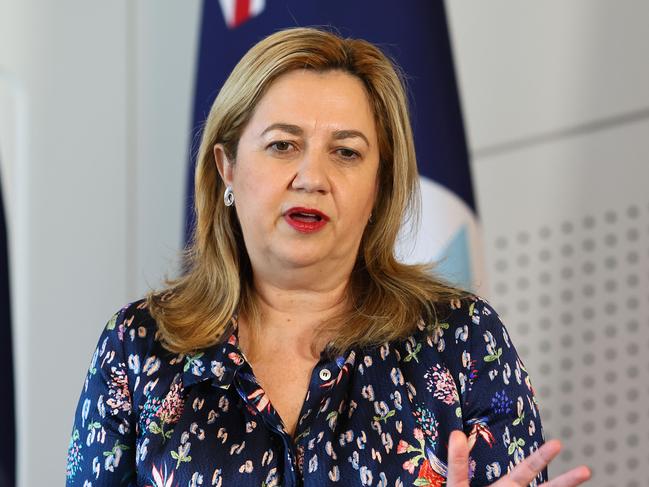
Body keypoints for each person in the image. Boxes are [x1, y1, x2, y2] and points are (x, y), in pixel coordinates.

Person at [66, 27, 590, 486]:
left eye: (346, 152)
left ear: (378, 189)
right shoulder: (137, 349)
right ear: (227, 169)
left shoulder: (461, 339)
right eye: (282, 145)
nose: (312, 178)